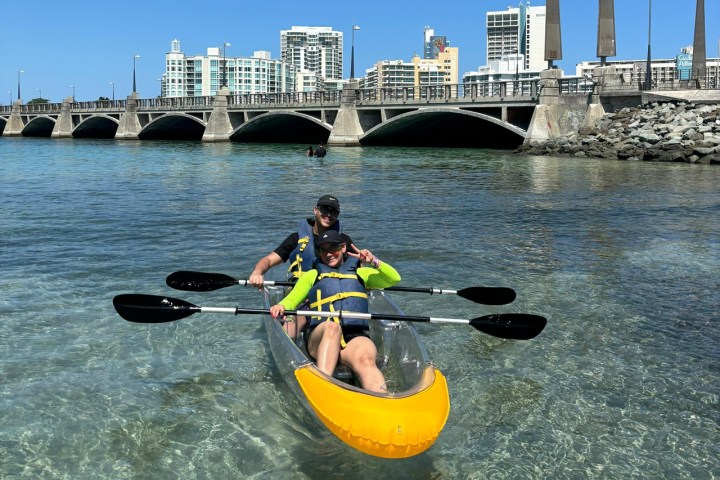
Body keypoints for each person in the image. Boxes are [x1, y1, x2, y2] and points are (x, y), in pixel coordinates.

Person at [270, 230, 400, 393]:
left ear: (343, 247)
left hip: (353, 337)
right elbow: (291, 300)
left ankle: (382, 401)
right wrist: (281, 306)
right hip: (321, 336)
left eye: (333, 248)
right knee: (332, 327)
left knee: (366, 359)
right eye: (323, 250)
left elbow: (394, 279)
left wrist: (374, 261)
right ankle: (321, 388)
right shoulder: (312, 275)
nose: (329, 253)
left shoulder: (361, 273)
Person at [248, 195, 353, 287]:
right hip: (301, 293)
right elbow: (269, 260)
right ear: (315, 210)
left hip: (332, 292)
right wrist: (257, 272)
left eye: (333, 212)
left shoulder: (343, 240)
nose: (329, 215)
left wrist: (367, 261)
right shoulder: (296, 238)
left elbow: (359, 264)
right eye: (325, 210)